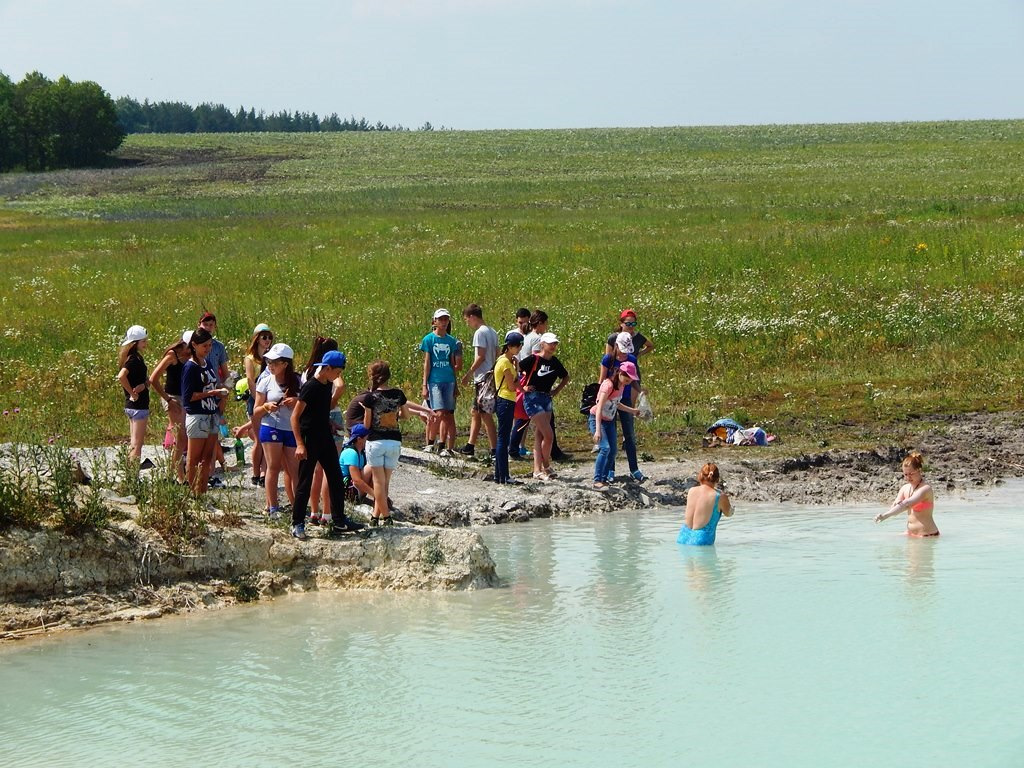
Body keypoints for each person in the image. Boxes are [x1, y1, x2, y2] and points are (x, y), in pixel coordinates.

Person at [289, 350, 365, 540]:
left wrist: (331, 424)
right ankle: (297, 522)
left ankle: (339, 520)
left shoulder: (327, 385)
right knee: (305, 481)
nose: (338, 376)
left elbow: (319, 412)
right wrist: (299, 444)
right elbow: (295, 417)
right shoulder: (311, 387)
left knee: (336, 477)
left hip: (325, 436)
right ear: (327, 368)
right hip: (309, 439)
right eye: (337, 372)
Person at [364, 360, 434, 526]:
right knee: (385, 482)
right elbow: (406, 416)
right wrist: (393, 417)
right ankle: (375, 516)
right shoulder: (398, 394)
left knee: (378, 482)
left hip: (376, 441)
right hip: (394, 442)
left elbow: (367, 424)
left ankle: (386, 517)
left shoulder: (370, 397)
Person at [253, 343, 300, 520]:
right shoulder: (265, 381)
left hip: (290, 429)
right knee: (273, 467)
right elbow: (256, 411)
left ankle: (298, 506)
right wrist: (266, 406)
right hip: (270, 426)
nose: (270, 365)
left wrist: (295, 401)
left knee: (293, 470)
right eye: (268, 361)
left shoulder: (298, 380)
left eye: (274, 362)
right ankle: (273, 506)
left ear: (285, 364)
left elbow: (305, 405)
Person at [301, 337, 346, 524]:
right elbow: (341, 386)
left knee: (315, 472)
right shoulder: (328, 374)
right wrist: (330, 404)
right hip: (328, 418)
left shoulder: (307, 371)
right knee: (330, 470)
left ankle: (314, 511)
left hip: (316, 422)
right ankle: (328, 513)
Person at [181, 327, 230, 495]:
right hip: (197, 415)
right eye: (204, 346)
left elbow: (212, 384)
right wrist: (212, 393)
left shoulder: (207, 363)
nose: (208, 349)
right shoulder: (190, 367)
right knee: (194, 458)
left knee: (207, 457)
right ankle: (193, 493)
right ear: (194, 345)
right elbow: (188, 396)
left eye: (209, 345)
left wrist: (222, 388)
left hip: (211, 413)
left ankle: (202, 492)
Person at [519, 332, 570, 481]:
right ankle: (546, 465)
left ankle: (537, 469)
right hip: (533, 398)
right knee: (549, 434)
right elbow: (515, 369)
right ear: (542, 344)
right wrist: (522, 388)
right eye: (550, 343)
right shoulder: (533, 359)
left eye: (555, 343)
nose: (553, 346)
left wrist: (557, 390)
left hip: (546, 398)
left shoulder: (554, 362)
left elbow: (565, 376)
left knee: (540, 435)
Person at [599, 332, 647, 483]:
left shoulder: (631, 359)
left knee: (630, 434)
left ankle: (634, 469)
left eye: (628, 350)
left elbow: (633, 380)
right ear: (616, 346)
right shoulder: (608, 359)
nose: (625, 353)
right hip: (610, 398)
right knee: (611, 434)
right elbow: (602, 380)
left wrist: (640, 391)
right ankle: (610, 470)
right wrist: (600, 399)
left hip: (624, 398)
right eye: (623, 349)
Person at [590, 361, 642, 490]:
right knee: (605, 448)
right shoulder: (607, 385)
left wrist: (632, 411)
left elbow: (616, 404)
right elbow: (599, 407)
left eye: (631, 378)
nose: (629, 380)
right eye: (627, 377)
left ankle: (604, 479)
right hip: (597, 419)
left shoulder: (622, 386)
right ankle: (597, 481)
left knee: (613, 451)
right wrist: (597, 430)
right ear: (620, 373)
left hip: (609, 421)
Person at [148, 333, 191, 483]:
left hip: (184, 397)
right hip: (172, 397)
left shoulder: (190, 355)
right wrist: (167, 399)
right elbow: (153, 379)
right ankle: (180, 477)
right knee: (180, 437)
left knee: (183, 436)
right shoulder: (172, 356)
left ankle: (175, 473)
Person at [459, 304, 498, 458]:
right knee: (475, 412)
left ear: (472, 317)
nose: (467, 323)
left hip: (483, 378)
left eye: (467, 319)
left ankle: (495, 449)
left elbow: (480, 356)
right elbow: (496, 352)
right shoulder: (492, 331)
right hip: (490, 375)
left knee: (485, 414)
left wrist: (469, 373)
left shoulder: (479, 333)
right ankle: (470, 445)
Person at [420, 308, 461, 455]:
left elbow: (452, 364)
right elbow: (427, 363)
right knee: (438, 412)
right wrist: (425, 385)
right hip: (435, 381)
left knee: (446, 413)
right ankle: (431, 442)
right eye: (441, 319)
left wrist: (455, 384)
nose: (443, 322)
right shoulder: (429, 339)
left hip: (448, 379)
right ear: (435, 321)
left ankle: (442, 444)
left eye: (446, 319)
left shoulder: (451, 341)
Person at [874, 451, 939, 536]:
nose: (908, 477)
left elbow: (907, 503)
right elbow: (896, 507)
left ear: (919, 470)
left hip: (927, 535)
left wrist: (886, 515)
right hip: (910, 533)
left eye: (911, 474)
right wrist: (887, 512)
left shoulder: (925, 489)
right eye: (905, 474)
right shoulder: (904, 488)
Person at [198, 311, 230, 477]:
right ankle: (209, 468)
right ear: (199, 325)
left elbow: (225, 372)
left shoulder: (219, 347)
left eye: (211, 325)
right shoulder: (193, 344)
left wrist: (226, 389)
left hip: (216, 391)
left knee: (214, 429)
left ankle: (213, 468)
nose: (209, 328)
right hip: (200, 392)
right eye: (206, 324)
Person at [117, 325, 152, 469]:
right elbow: (121, 376)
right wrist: (133, 393)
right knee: (137, 445)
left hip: (131, 405)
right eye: (143, 341)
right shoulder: (134, 359)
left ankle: (130, 472)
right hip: (138, 405)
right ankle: (133, 476)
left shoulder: (130, 358)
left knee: (134, 442)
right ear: (135, 343)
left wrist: (144, 384)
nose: (145, 343)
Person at [242, 324, 273, 487]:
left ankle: (264, 472)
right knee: (259, 439)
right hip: (257, 400)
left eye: (269, 337)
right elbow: (250, 380)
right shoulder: (250, 358)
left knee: (267, 438)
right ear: (257, 339)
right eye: (264, 337)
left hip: (269, 398)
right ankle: (256, 472)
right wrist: (258, 400)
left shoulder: (272, 357)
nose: (267, 340)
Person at [493, 331, 524, 484]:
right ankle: (504, 475)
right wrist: (516, 371)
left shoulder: (506, 361)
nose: (519, 349)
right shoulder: (505, 363)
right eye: (518, 346)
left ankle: (499, 475)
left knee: (503, 437)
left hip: (506, 400)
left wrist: (516, 367)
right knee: (503, 438)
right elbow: (512, 386)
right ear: (511, 347)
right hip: (505, 400)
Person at [677, 463, 732, 545]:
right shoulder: (719, 496)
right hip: (701, 541)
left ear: (700, 476)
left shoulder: (691, 491)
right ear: (717, 479)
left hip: (682, 537)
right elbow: (728, 513)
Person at [339, 423, 375, 503]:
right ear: (359, 439)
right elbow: (356, 480)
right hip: (346, 490)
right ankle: (378, 497)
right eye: (366, 437)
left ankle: (378, 497)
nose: (368, 439)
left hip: (352, 488)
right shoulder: (351, 453)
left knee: (376, 467)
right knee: (371, 466)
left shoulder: (361, 452)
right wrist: (376, 495)